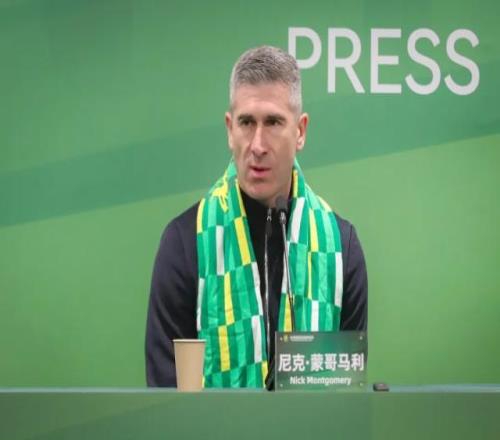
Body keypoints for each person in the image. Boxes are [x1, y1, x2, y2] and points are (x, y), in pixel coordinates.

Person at [145, 46, 367, 389]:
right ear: (229, 129)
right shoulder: (185, 242)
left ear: (301, 131)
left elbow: (344, 397)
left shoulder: (341, 247)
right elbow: (165, 397)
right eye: (247, 123)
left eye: (274, 122)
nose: (258, 145)